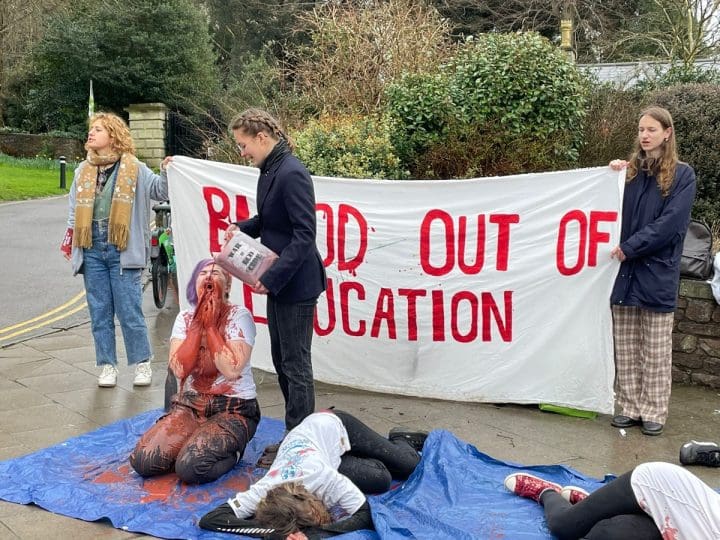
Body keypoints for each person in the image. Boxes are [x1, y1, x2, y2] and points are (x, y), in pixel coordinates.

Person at [225, 108, 326, 464]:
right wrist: (242, 227)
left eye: (243, 145)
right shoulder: (270, 169)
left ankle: (300, 445)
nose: (242, 152)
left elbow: (304, 235)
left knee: (296, 364)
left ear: (262, 138)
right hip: (282, 283)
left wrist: (271, 277)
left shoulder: (292, 172)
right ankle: (294, 435)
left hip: (296, 285)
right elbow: (270, 221)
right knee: (284, 361)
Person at [61, 112, 171, 388]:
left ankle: (142, 364)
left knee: (129, 310)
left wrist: (167, 169)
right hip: (92, 247)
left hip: (123, 248)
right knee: (99, 311)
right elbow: (74, 211)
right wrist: (70, 239)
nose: (91, 134)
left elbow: (160, 191)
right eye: (91, 130)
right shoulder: (82, 171)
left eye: (97, 130)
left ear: (113, 136)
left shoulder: (135, 168)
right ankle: (107, 365)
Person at [129, 259, 260, 484]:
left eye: (216, 273)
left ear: (227, 286)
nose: (209, 276)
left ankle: (234, 452)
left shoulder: (239, 316)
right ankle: (190, 441)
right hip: (190, 405)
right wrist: (198, 325)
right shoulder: (185, 318)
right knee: (144, 462)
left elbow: (231, 369)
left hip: (233, 409)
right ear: (196, 283)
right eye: (203, 273)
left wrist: (210, 328)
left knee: (190, 469)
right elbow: (179, 371)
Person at [198, 409, 427, 537]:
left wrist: (314, 535)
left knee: (401, 469)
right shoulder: (264, 491)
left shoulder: (324, 479)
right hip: (315, 450)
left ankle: (400, 438)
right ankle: (348, 457)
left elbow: (365, 515)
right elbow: (210, 520)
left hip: (334, 424)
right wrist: (274, 534)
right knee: (379, 479)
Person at [608, 106, 696, 436]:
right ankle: (629, 406)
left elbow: (670, 225)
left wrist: (630, 247)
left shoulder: (683, 175)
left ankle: (654, 410)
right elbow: (609, 209)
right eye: (641, 129)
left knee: (656, 351)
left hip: (656, 272)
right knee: (627, 347)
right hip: (625, 274)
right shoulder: (629, 173)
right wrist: (611, 175)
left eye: (652, 130)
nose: (645, 135)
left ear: (667, 133)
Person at [505, 461, 720, 539]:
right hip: (655, 488)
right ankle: (546, 492)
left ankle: (594, 505)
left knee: (608, 533)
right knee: (564, 526)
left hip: (676, 527)